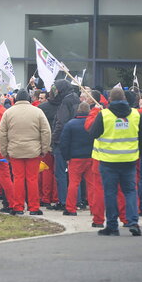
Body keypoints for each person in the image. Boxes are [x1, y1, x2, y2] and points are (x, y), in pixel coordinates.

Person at [88, 87, 142, 236]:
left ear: (110, 100)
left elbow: (93, 133)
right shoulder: (135, 114)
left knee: (110, 193)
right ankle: (133, 222)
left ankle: (112, 226)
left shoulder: (104, 115)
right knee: (130, 192)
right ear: (125, 99)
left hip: (108, 160)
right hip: (129, 159)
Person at [0, 89, 51, 215]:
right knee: (32, 179)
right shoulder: (38, 112)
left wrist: (4, 151)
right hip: (34, 151)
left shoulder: (8, 113)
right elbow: (46, 131)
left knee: (18, 179)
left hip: (15, 151)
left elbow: (2, 134)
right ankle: (33, 207)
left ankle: (18, 207)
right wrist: (44, 149)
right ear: (29, 99)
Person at [59, 102, 105, 227]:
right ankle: (94, 209)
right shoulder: (93, 124)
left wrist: (66, 157)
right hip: (91, 157)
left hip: (75, 158)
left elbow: (64, 142)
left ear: (78, 111)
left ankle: (71, 208)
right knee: (92, 185)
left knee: (74, 183)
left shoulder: (70, 124)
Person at [47, 79, 81, 211]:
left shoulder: (65, 101)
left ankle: (62, 201)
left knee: (60, 173)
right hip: (74, 142)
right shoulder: (75, 99)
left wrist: (53, 140)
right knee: (73, 175)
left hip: (62, 143)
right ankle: (76, 201)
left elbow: (60, 123)